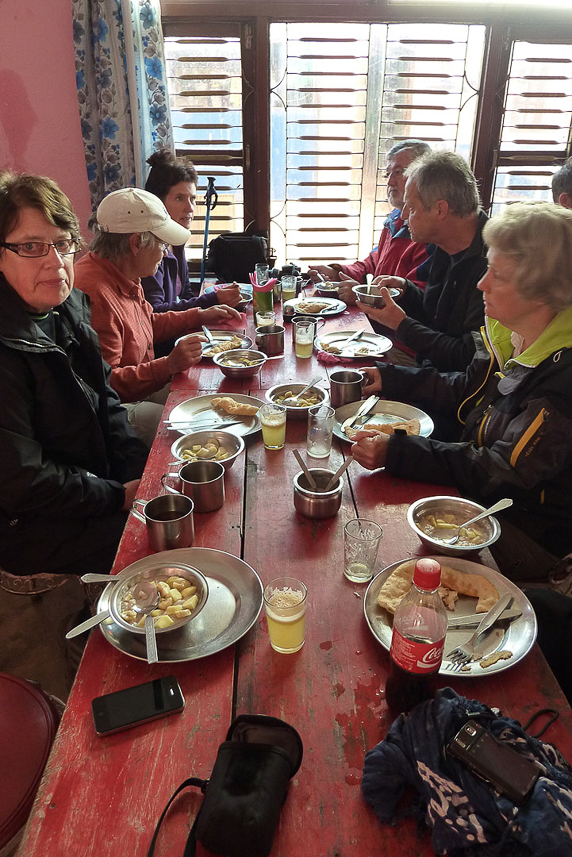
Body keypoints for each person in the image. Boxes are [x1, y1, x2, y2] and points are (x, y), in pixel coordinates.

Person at [350, 201, 572, 582]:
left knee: (378, 542)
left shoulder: (562, 379)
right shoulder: (510, 333)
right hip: (474, 490)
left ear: (541, 294)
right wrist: (391, 378)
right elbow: (466, 387)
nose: (481, 283)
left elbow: (501, 470)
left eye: (497, 275)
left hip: (523, 532)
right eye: (486, 267)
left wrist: (400, 451)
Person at [0, 171, 148, 697]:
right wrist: (116, 498)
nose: (55, 260)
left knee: (167, 503)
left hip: (83, 488)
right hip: (27, 527)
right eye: (31, 246)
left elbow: (108, 405)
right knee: (153, 546)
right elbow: (22, 481)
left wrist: (139, 481)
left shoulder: (64, 308)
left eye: (62, 242)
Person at [74, 187, 241, 446]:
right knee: (190, 431)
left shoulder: (125, 270)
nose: (165, 253)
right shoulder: (93, 293)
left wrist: (200, 315)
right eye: (161, 244)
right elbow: (106, 385)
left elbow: (148, 323)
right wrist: (168, 365)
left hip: (138, 385)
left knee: (205, 392)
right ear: (136, 243)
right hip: (110, 408)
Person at [358, 151, 487, 372]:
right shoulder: (444, 244)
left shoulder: (493, 264)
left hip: (457, 393)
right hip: (430, 374)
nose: (404, 215)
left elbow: (467, 358)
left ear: (440, 209)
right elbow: (433, 316)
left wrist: (401, 325)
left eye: (412, 207)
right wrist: (405, 290)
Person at [308, 139, 432, 302]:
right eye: (388, 174)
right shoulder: (395, 218)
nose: (389, 182)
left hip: (398, 324)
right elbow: (372, 263)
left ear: (422, 176)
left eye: (398, 172)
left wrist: (364, 295)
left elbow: (417, 299)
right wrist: (337, 272)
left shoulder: (429, 231)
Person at [142, 149, 241, 315]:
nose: (190, 208)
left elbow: (186, 294)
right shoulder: (148, 246)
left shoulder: (177, 238)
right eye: (179, 198)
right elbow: (155, 313)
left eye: (192, 199)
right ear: (157, 201)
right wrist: (213, 300)